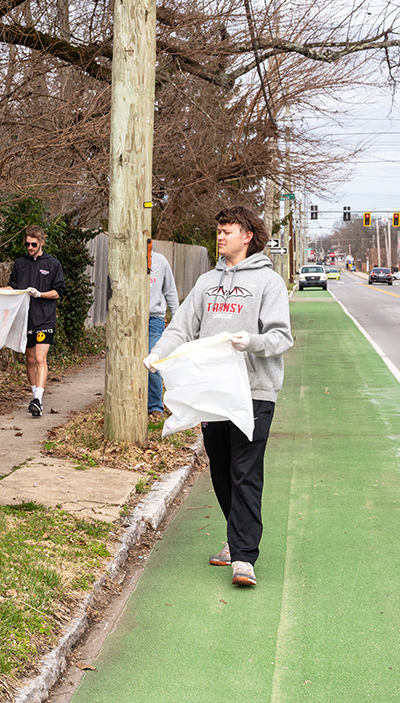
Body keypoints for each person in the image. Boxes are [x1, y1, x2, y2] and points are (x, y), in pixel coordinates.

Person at [143, 206, 292, 587]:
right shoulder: (207, 282)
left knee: (245, 471)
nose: (221, 236)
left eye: (228, 230)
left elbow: (280, 338)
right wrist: (159, 353)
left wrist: (251, 341)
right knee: (223, 470)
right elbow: (182, 325)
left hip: (254, 392)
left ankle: (244, 557)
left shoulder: (268, 283)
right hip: (212, 393)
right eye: (219, 229)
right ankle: (235, 537)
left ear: (248, 236)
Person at [6, 226, 65, 417]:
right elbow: (12, 287)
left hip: (45, 319)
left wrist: (40, 294)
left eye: (33, 244)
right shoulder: (20, 263)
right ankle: (35, 398)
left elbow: (58, 292)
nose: (30, 247)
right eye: (27, 244)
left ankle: (38, 398)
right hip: (25, 320)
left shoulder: (52, 264)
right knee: (30, 360)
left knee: (40, 358)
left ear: (41, 243)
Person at [147, 249, 180, 419]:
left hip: (154, 318)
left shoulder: (160, 260)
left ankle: (155, 406)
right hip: (130, 318)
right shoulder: (125, 256)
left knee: (153, 357)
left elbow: (170, 290)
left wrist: (177, 317)